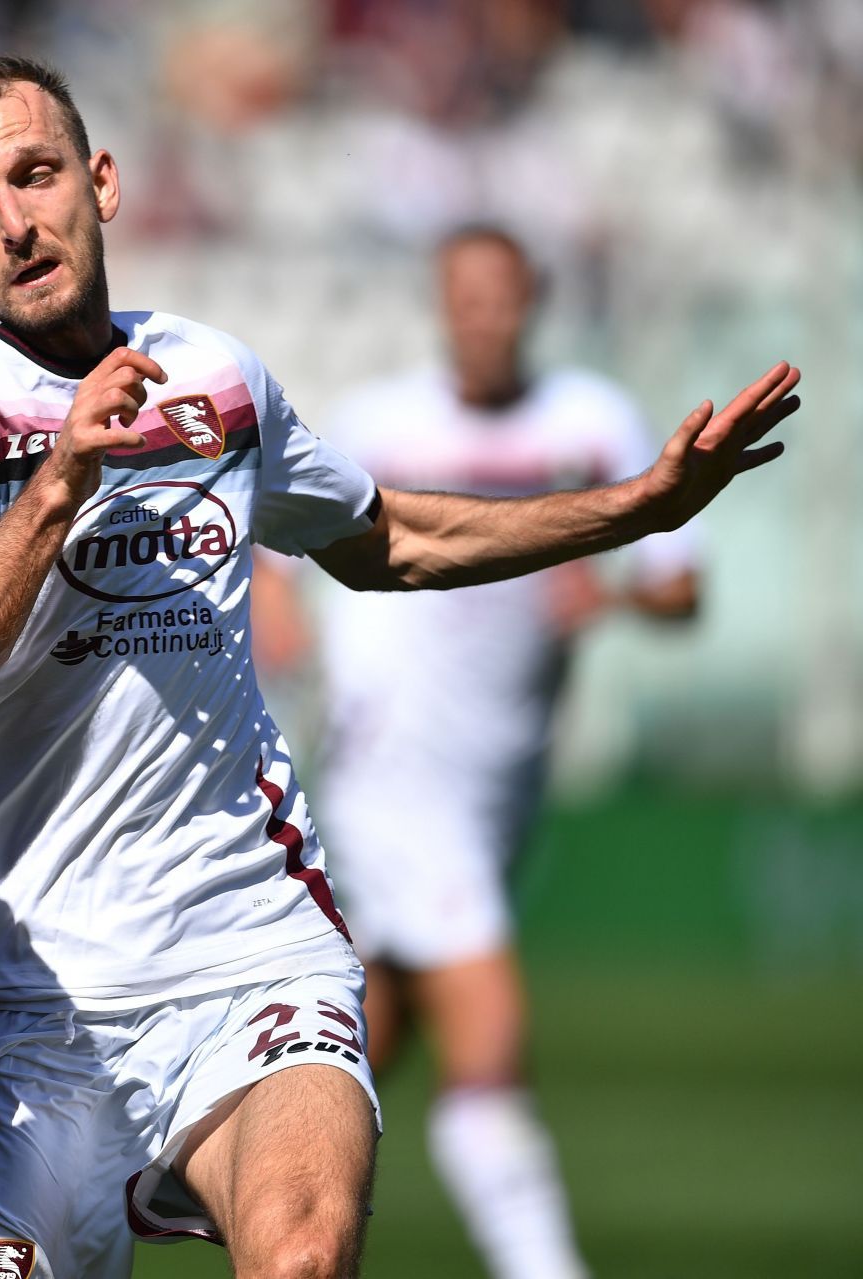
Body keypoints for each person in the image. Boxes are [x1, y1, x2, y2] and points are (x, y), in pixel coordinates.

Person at [0, 52, 799, 1279]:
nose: (18, 221)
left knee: (301, 1252)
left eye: (36, 175)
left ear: (102, 181)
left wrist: (635, 506)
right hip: (23, 1006)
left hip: (251, 949)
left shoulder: (216, 376)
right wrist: (56, 488)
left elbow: (386, 537)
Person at [255, 226, 699, 1279]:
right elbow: (276, 539)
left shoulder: (589, 421)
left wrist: (620, 594)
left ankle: (217, 1192)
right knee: (489, 1035)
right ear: (442, 305)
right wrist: (278, 608)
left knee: (358, 1046)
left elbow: (683, 584)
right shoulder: (380, 422)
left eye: (501, 298)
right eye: (466, 298)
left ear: (531, 300)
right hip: (388, 766)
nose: (484, 318)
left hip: (499, 785)